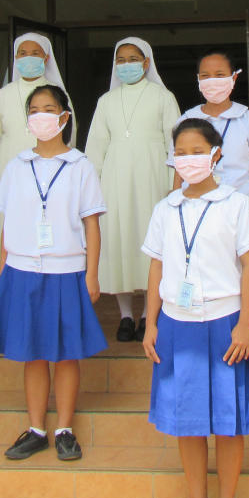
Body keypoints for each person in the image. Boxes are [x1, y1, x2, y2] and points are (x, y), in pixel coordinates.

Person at [142, 118, 249, 498]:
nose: (188, 159)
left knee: (228, 420)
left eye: (196, 151)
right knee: (189, 419)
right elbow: (156, 268)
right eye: (180, 152)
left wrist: (245, 325)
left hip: (225, 321)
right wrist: (151, 324)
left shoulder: (236, 204)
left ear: (215, 154)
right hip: (176, 324)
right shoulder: (166, 208)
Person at [0, 85, 107, 461]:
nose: (40, 116)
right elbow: (6, 221)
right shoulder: (17, 166)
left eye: (48, 109)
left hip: (67, 269)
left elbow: (91, 225)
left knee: (66, 353)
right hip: (22, 270)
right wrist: (5, 265)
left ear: (64, 117)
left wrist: (91, 274)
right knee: (33, 353)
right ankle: (37, 427)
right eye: (33, 110)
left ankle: (65, 428)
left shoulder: (80, 165)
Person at [173, 51, 249, 306]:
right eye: (205, 76)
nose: (212, 81)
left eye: (219, 75)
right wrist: (174, 212)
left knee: (245, 285)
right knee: (206, 282)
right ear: (198, 80)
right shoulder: (187, 120)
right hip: (197, 211)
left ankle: (242, 335)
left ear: (234, 78)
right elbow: (177, 175)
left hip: (243, 213)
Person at [85, 37, 180, 341]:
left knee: (149, 243)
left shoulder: (163, 96)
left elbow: (175, 143)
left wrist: (173, 187)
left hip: (154, 178)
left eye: (133, 58)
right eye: (121, 59)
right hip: (114, 180)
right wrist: (91, 189)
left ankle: (146, 315)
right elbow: (95, 148)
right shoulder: (106, 101)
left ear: (147, 62)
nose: (127, 64)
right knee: (119, 242)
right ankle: (126, 316)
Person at [0, 32, 76, 298]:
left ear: (46, 58)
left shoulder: (59, 94)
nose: (28, 58)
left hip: (51, 172)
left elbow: (70, 134)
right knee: (9, 230)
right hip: (10, 171)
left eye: (35, 53)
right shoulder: (3, 95)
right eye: (22, 53)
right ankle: (5, 292)